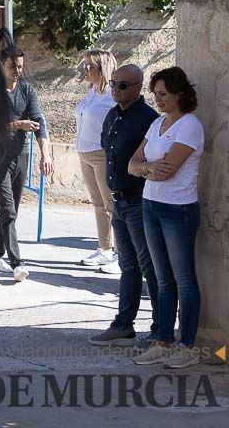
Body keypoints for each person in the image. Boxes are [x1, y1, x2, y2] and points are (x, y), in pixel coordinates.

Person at [129, 67, 205, 369]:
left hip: (178, 209)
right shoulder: (158, 123)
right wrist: (148, 167)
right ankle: (163, 340)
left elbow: (168, 170)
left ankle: (187, 344)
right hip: (150, 203)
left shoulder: (190, 126)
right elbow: (131, 165)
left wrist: (144, 167)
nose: (157, 100)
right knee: (161, 280)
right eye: (155, 94)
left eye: (163, 94)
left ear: (179, 93)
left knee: (184, 279)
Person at [88, 64, 159, 347]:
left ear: (138, 88)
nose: (115, 90)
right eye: (114, 84)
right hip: (118, 202)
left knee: (149, 266)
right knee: (128, 266)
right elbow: (108, 148)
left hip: (138, 201)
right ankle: (123, 325)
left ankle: (160, 329)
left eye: (122, 86)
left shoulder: (148, 119)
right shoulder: (112, 115)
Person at [0, 45, 54, 281]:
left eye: (20, 67)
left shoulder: (27, 90)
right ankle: (17, 263)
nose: (17, 71)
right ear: (1, 66)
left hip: (21, 155)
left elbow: (39, 123)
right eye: (12, 66)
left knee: (11, 210)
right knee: (8, 210)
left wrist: (45, 155)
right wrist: (16, 125)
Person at [75, 49, 119, 271]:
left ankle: (121, 255)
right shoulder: (91, 92)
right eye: (85, 66)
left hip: (102, 155)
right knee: (98, 205)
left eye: (90, 66)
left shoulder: (113, 96)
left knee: (112, 205)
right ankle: (105, 249)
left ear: (103, 69)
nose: (86, 70)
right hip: (84, 154)